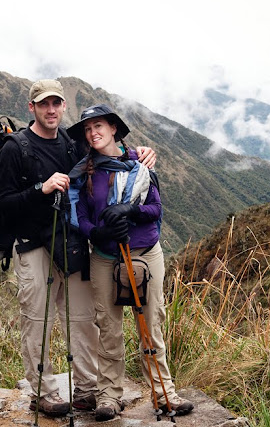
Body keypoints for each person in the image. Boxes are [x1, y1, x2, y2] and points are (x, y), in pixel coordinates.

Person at [0, 80, 156, 418]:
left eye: (56, 104)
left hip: (69, 243)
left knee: (84, 318)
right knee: (38, 319)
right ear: (32, 108)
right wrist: (41, 189)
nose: (51, 110)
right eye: (43, 105)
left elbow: (107, 156)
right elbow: (3, 204)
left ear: (63, 106)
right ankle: (43, 393)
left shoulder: (71, 144)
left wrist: (140, 154)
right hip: (33, 246)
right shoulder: (15, 148)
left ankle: (86, 391)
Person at [67, 104, 194, 422]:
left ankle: (165, 394)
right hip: (104, 256)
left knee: (151, 326)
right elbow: (80, 213)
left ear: (113, 129)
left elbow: (155, 208)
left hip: (145, 254)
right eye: (87, 128)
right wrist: (96, 230)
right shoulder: (85, 171)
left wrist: (129, 212)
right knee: (108, 328)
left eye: (98, 126)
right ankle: (109, 396)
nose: (93, 132)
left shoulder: (138, 164)